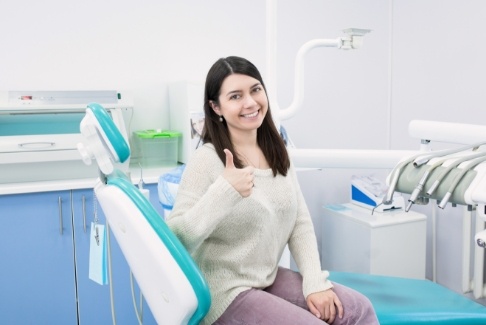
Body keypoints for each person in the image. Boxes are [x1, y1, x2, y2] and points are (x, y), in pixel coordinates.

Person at [166, 56, 379, 325]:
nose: (250, 102)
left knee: (358, 309)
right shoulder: (206, 160)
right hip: (223, 292)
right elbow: (174, 240)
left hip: (265, 277)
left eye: (255, 89)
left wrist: (314, 282)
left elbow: (299, 223)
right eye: (235, 96)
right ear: (216, 107)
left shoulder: (277, 151)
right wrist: (224, 192)